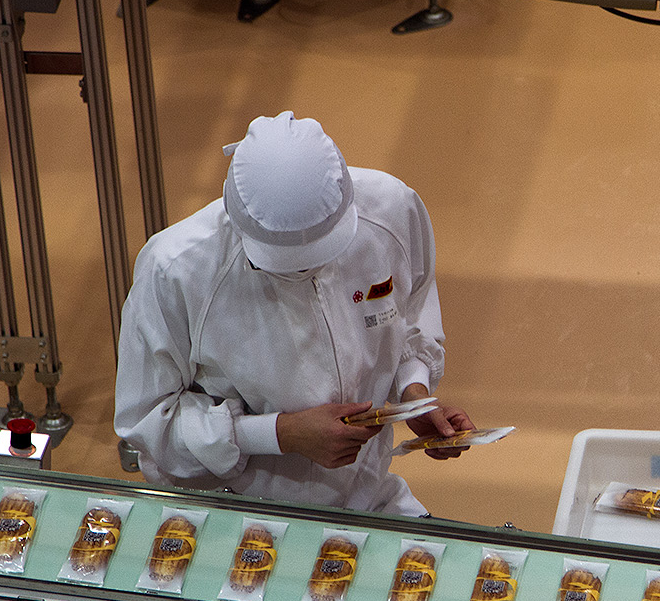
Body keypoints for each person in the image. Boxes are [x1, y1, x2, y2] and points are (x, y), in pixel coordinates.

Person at [114, 111, 474, 516]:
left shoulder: (390, 210)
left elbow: (406, 313)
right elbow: (147, 422)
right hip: (234, 509)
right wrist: (278, 434)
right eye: (283, 266)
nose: (304, 273)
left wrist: (415, 394)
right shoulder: (177, 269)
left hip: (368, 496)